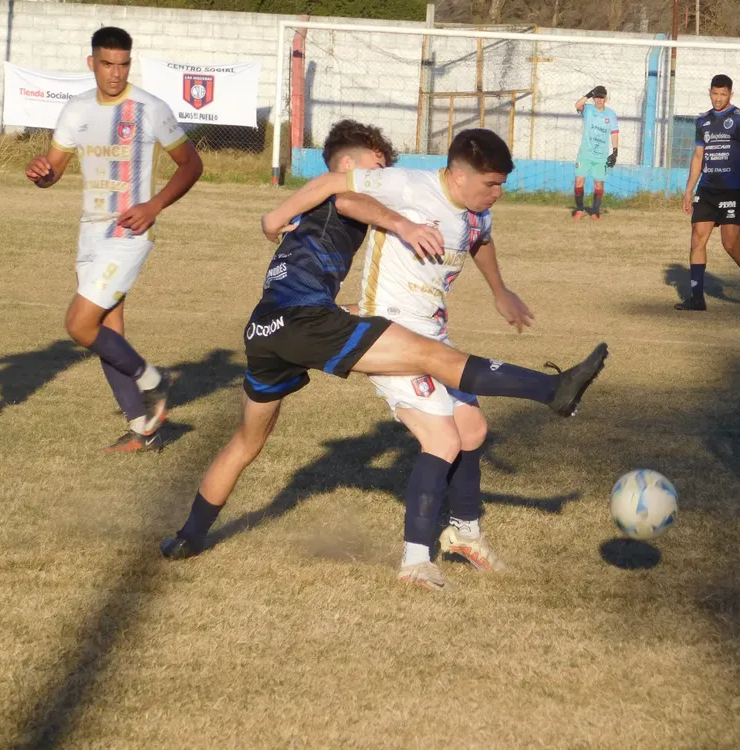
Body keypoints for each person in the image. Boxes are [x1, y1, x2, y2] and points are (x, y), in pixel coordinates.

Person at [159, 120, 608, 562]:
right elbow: (344, 192)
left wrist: (494, 288)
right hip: (304, 322)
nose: (388, 169)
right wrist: (277, 216)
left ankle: (187, 537)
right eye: (381, 163)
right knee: (433, 357)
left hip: (265, 329)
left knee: (246, 442)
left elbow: (463, 232)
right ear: (355, 163)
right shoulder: (343, 195)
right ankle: (552, 391)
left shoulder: (333, 205)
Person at [351, 129, 530, 590]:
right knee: (442, 437)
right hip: (385, 334)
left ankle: (464, 534)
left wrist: (499, 291)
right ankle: (414, 562)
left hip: (432, 335)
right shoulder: (408, 185)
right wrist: (398, 224)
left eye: (501, 184)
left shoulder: (475, 213)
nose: (498, 193)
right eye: (490, 184)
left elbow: (480, 240)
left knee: (472, 429)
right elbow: (343, 190)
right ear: (457, 174)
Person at [25, 26, 203, 451]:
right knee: (108, 330)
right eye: (107, 64)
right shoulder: (76, 110)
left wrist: (154, 206)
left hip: (128, 232)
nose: (116, 73)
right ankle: (143, 430)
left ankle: (153, 380)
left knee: (79, 324)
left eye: (123, 64)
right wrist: (42, 175)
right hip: (89, 231)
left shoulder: (149, 108)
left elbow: (191, 165)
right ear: (92, 63)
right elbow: (53, 171)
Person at [678, 74, 740, 312]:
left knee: (730, 244)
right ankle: (697, 299)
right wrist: (689, 190)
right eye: (715, 93)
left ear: (731, 94)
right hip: (706, 189)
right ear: (710, 92)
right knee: (697, 237)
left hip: (732, 190)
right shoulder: (703, 121)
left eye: (723, 94)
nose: (718, 98)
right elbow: (698, 157)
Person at [572, 85, 619, 220]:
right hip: (585, 154)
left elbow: (615, 132)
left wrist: (615, 151)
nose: (599, 100)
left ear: (606, 98)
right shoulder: (588, 110)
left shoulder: (610, 114)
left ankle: (595, 212)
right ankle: (580, 210)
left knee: (598, 183)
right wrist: (588, 94)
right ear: (593, 98)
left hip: (601, 157)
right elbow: (577, 104)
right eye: (596, 97)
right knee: (579, 181)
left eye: (601, 97)